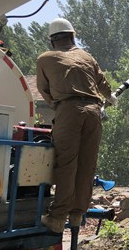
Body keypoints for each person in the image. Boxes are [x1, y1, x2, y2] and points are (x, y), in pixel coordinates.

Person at [36, 18, 116, 233]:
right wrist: (110, 97)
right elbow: (103, 85)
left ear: (53, 40)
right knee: (87, 164)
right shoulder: (87, 57)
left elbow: (44, 91)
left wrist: (59, 107)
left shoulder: (45, 59)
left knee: (67, 164)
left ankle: (57, 218)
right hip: (93, 112)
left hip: (69, 111)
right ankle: (77, 214)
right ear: (73, 35)